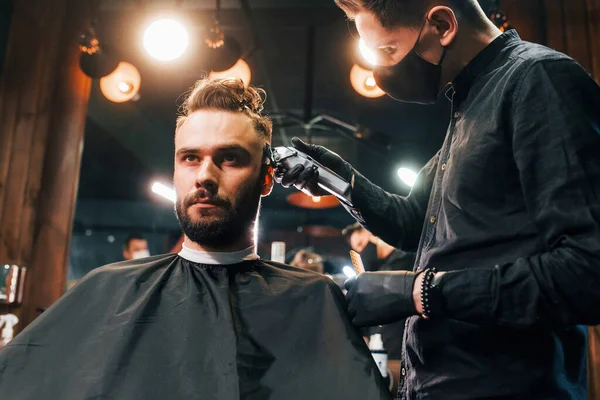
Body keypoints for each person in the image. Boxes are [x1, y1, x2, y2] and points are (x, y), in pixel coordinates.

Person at [276, 0, 600, 398]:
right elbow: (413, 220)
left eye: (389, 51)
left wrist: (420, 291)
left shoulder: (538, 80)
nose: (382, 72)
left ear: (443, 24)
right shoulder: (470, 104)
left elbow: (588, 271)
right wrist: (338, 180)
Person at [0, 78, 391, 399]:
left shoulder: (314, 300)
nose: (204, 175)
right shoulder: (105, 290)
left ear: (267, 178)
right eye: (190, 158)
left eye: (229, 158)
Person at [343, 222, 415, 394]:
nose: (361, 252)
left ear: (371, 233)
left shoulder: (407, 260)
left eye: (361, 245)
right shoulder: (378, 270)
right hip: (381, 353)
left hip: (401, 353)